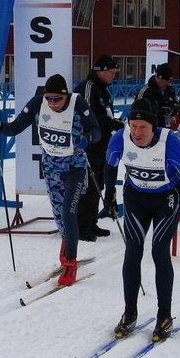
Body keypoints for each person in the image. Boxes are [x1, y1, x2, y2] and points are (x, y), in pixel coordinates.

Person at [107, 98, 180, 342]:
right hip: (135, 196)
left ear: (154, 127)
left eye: (143, 127)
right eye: (133, 126)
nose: (137, 132)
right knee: (133, 250)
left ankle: (164, 315)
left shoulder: (169, 143)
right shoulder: (120, 138)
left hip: (166, 198)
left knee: (159, 250)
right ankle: (129, 312)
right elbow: (109, 166)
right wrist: (109, 194)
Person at [0, 74, 101, 286]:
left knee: (68, 212)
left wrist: (87, 139)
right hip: (51, 169)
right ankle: (67, 246)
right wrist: (0, 126)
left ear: (65, 96)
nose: (52, 103)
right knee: (59, 216)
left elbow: (97, 130)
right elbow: (15, 128)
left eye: (57, 99)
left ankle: (70, 262)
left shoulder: (77, 103)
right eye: (49, 98)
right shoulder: (37, 103)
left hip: (74, 167)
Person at [75, 54, 124, 241]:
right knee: (88, 185)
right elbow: (90, 118)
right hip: (88, 145)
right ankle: (81, 226)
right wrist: (113, 124)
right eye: (111, 72)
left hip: (102, 144)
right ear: (101, 71)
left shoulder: (103, 89)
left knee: (97, 184)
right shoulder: (88, 88)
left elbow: (105, 114)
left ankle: (91, 222)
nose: (113, 76)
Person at [135, 62, 179, 128]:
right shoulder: (145, 92)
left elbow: (176, 105)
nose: (168, 84)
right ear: (159, 79)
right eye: (166, 82)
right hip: (150, 129)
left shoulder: (170, 90)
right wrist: (158, 112)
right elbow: (136, 112)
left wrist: (174, 111)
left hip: (168, 128)